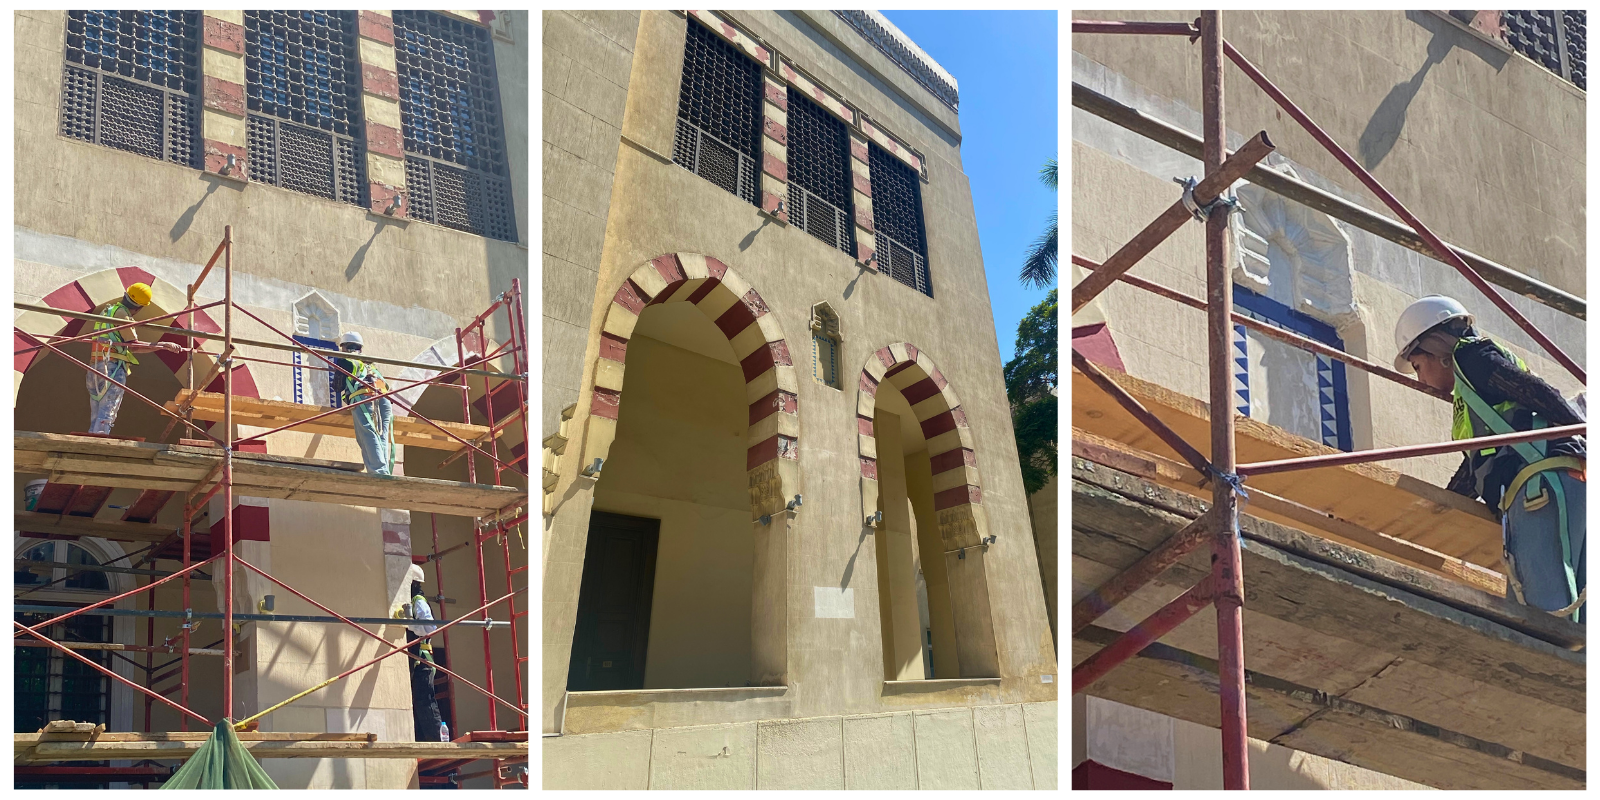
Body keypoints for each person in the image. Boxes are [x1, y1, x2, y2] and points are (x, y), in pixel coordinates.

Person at [1394, 295, 1586, 622]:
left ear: (1437, 350)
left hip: (1541, 489)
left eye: (1417, 366)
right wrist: (1441, 506)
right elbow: (1476, 468)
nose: (1419, 379)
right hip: (1560, 484)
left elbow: (1539, 393)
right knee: (1577, 609)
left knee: (1541, 612)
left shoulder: (1472, 357)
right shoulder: (1473, 389)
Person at [86, 282, 181, 434]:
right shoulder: (123, 315)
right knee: (107, 413)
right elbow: (134, 346)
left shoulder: (108, 311)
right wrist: (162, 345)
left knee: (96, 412)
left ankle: (91, 437)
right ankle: (98, 441)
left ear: (125, 294)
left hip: (95, 366)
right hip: (112, 368)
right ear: (139, 307)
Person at [333, 331, 394, 475]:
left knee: (368, 434)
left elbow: (337, 386)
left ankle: (378, 472)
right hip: (384, 400)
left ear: (344, 347)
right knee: (382, 436)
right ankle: (383, 470)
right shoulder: (370, 364)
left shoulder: (345, 360)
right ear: (360, 348)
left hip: (364, 398)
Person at [397, 564, 447, 742]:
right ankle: (430, 738)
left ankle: (437, 740)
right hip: (418, 661)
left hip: (423, 661)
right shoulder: (414, 601)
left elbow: (430, 628)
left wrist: (408, 623)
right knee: (420, 701)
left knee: (426, 700)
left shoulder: (419, 600)